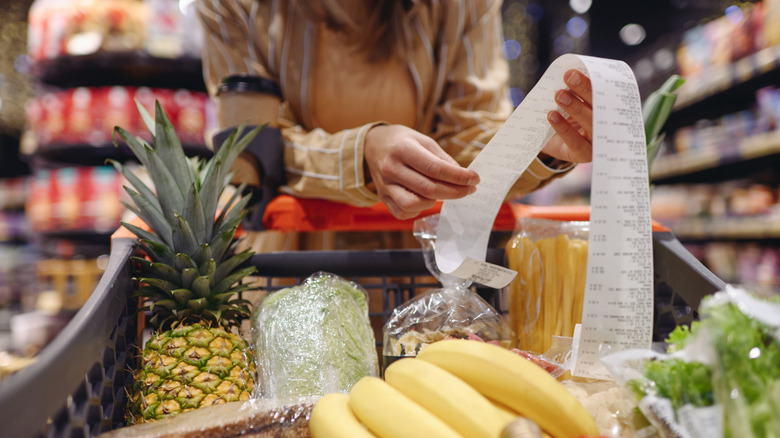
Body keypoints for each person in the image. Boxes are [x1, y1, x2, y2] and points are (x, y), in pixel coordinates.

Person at [195, 0, 592, 224]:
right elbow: (250, 153)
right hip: (292, 253)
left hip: (422, 259)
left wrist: (540, 145)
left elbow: (470, 134)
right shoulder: (232, 7)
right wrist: (362, 154)